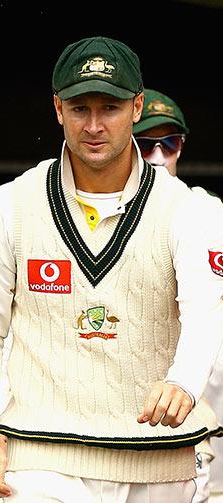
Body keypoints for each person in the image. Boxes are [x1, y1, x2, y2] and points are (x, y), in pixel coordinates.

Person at [0, 35, 223, 502]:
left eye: (110, 108)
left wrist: (183, 379)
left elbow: (205, 311)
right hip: (40, 454)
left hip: (157, 459)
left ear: (137, 107)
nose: (94, 125)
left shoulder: (188, 210)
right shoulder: (10, 204)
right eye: (80, 109)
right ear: (57, 108)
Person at [134, 88, 223, 503]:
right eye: (145, 143)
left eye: (167, 143)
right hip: (114, 409)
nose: (157, 155)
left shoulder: (210, 214)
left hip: (199, 415)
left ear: (181, 146)